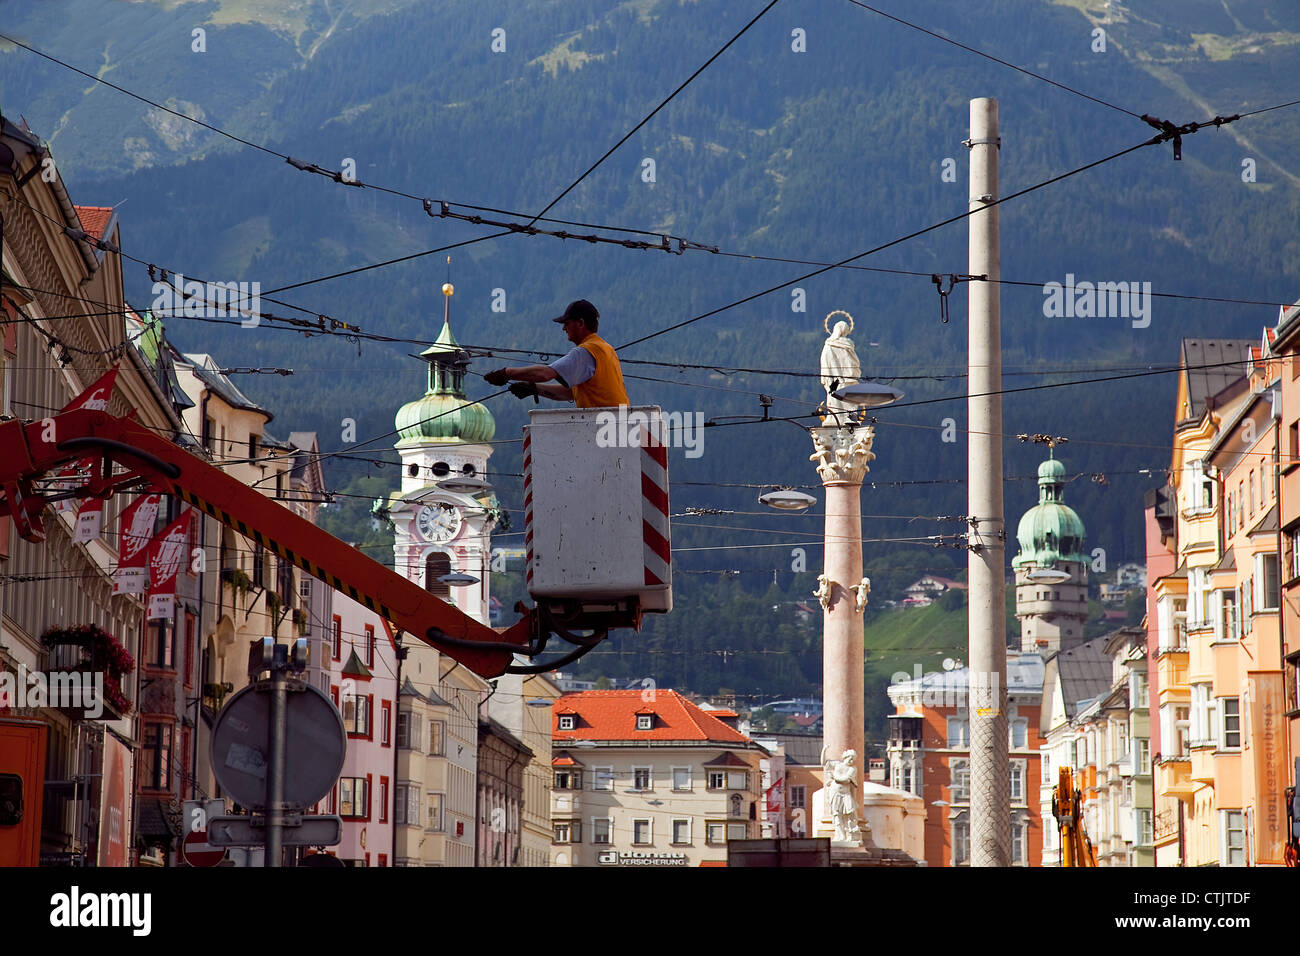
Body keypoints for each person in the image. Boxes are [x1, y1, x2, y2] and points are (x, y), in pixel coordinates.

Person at [483, 299, 629, 408]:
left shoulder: (585, 351)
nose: (564, 328)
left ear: (580, 323)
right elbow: (570, 393)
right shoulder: (606, 349)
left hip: (603, 424)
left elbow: (545, 374)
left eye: (566, 323)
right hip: (617, 425)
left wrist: (506, 373)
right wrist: (534, 388)